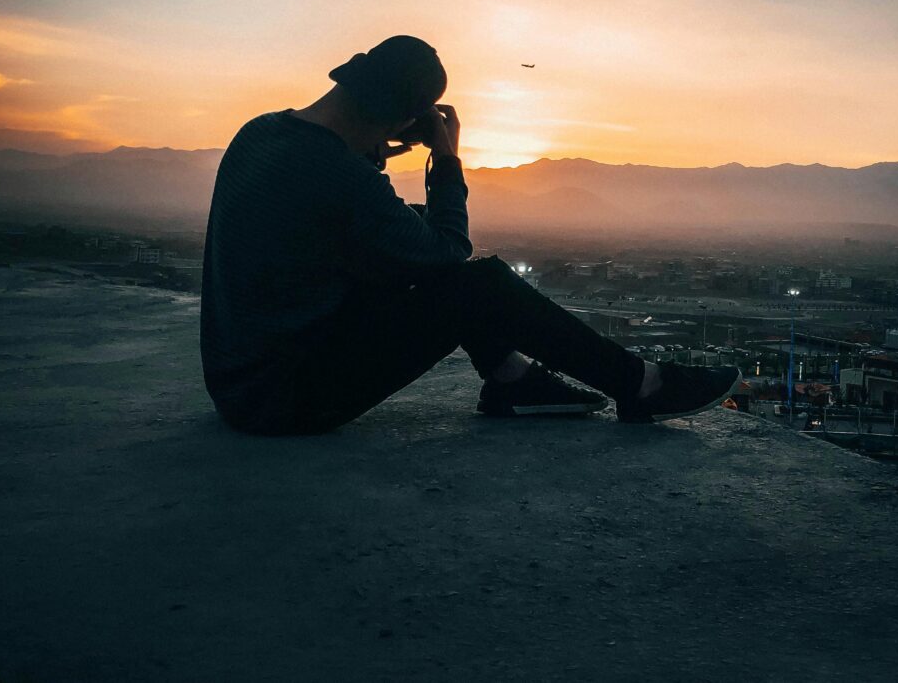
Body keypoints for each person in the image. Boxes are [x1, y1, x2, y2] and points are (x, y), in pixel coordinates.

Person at [199, 35, 741, 435]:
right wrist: (447, 158)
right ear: (410, 118)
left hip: (243, 383)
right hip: (286, 400)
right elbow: (447, 252)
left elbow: (362, 231)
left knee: (429, 267)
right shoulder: (336, 174)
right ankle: (641, 386)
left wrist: (372, 150)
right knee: (475, 283)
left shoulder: (263, 133)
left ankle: (513, 380)